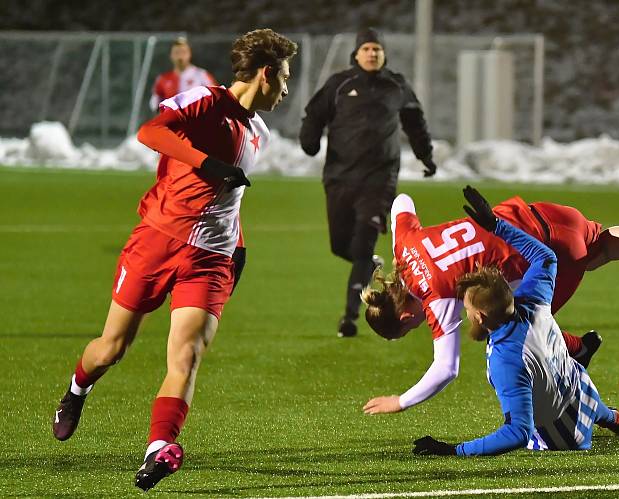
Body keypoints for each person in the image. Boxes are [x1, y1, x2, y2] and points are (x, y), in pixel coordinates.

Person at [51, 29, 297, 491]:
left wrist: (237, 249)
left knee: (186, 355)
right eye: (284, 78)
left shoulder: (258, 133)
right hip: (158, 241)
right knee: (111, 348)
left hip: (211, 259)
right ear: (265, 74)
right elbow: (151, 132)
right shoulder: (205, 100)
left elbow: (228, 202)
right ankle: (77, 388)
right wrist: (206, 161)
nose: (286, 89)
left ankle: (157, 449)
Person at [361, 190, 619, 415]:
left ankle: (577, 350)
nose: (419, 324)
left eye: (409, 327)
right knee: (601, 246)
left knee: (504, 327)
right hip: (547, 214)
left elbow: (446, 369)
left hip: (548, 253)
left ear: (405, 313)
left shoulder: (434, 299)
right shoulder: (403, 244)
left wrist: (400, 401)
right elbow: (401, 201)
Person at [411, 186, 619, 456]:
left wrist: (455, 450)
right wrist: (496, 226)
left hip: (564, 435)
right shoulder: (535, 298)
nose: (465, 313)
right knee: (573, 381)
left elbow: (518, 432)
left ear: (481, 317)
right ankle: (613, 418)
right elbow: (546, 256)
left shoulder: (506, 359)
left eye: (467, 308)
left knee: (531, 427)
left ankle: (604, 417)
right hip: (583, 391)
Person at [299, 27, 437, 338]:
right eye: (366, 49)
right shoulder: (339, 84)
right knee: (340, 246)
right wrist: (309, 142)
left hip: (379, 180)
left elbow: (415, 123)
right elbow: (314, 114)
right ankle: (368, 261)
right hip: (339, 177)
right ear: (357, 54)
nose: (372, 53)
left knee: (361, 247)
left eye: (377, 48)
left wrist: (426, 156)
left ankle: (350, 317)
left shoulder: (396, 85)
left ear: (383, 53)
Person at [149, 37, 217, 112]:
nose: (180, 56)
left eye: (183, 52)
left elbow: (215, 98)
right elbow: (155, 103)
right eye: (177, 52)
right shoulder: (163, 79)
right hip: (171, 121)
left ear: (190, 54)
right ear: (171, 55)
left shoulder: (202, 76)